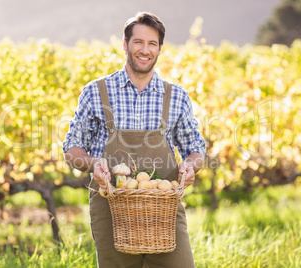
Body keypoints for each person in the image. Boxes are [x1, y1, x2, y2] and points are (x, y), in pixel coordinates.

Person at [63, 11, 205, 268]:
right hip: (111, 209)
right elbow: (71, 148)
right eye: (138, 42)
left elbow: (196, 150)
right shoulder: (96, 92)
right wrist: (93, 163)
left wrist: (190, 166)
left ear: (160, 49)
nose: (145, 50)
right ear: (125, 44)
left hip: (163, 211)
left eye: (152, 44)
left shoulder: (177, 97)